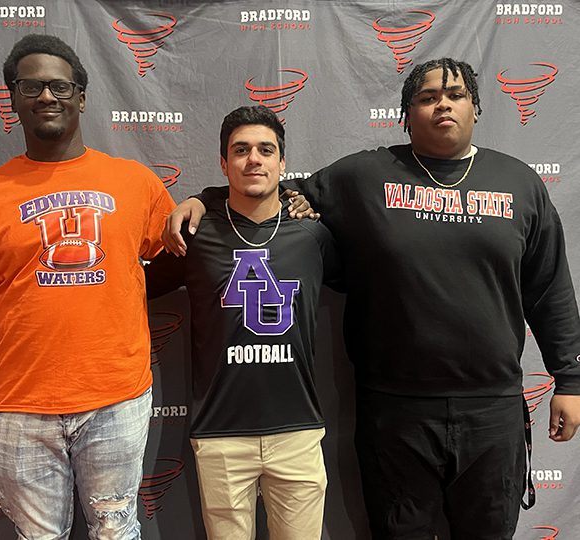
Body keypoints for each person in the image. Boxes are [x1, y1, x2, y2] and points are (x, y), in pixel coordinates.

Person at [161, 58, 580, 539]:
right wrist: (204, 200)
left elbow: (549, 287)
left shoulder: (519, 183)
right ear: (406, 113)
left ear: (476, 107)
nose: (442, 105)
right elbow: (265, 190)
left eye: (456, 95)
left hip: (492, 406)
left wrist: (569, 379)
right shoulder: (365, 175)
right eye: (427, 97)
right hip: (394, 409)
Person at [0, 34, 175, 539]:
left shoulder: (136, 183)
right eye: (30, 86)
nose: (46, 96)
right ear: (13, 98)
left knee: (117, 533)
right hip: (19, 409)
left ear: (82, 97)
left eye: (60, 86)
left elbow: (184, 252)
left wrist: (202, 203)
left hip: (116, 399)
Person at [146, 105, 342, 539]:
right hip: (221, 435)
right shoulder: (195, 234)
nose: (254, 159)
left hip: (297, 431)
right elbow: (135, 286)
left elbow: (362, 278)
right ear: (224, 163)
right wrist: (203, 198)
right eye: (241, 150)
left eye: (266, 150)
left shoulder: (312, 234)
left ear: (283, 163)